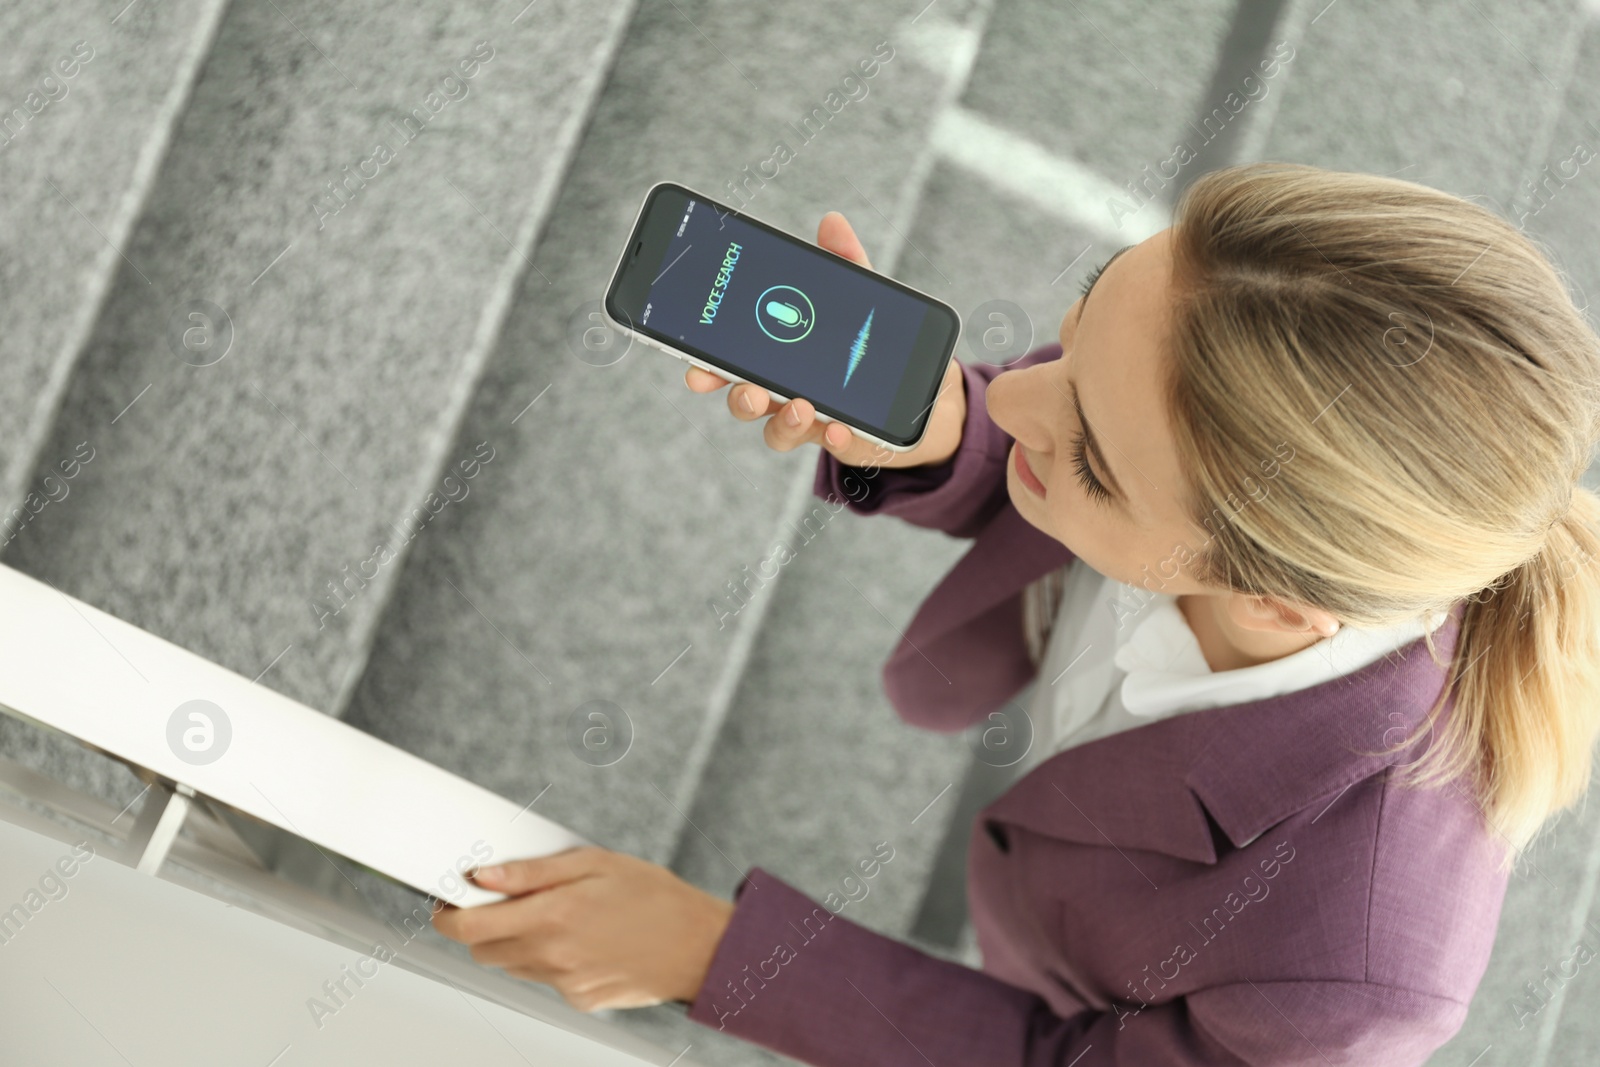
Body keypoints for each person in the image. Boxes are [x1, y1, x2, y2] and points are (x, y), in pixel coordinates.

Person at [433, 162, 1600, 1065]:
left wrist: (711, 953)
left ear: (1274, 600)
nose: (1018, 389)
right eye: (1085, 316)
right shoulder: (1224, 353)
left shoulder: (1352, 982)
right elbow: (1044, 425)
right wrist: (939, 433)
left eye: (1086, 457)